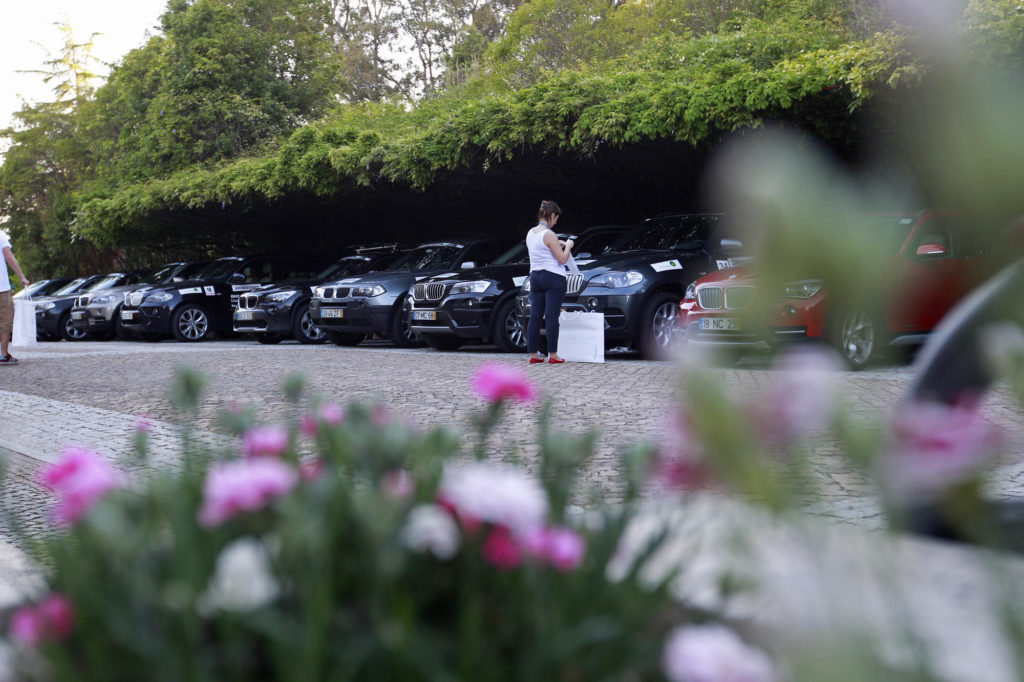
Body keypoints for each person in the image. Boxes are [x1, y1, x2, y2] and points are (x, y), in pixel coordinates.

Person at [526, 200, 574, 364]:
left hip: (535, 277)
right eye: (556, 219)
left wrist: (557, 244)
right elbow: (562, 259)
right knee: (552, 316)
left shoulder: (530, 233)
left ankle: (533, 353)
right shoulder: (549, 234)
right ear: (552, 215)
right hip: (553, 278)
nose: (556, 222)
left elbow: (543, 250)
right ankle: (553, 354)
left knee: (535, 316)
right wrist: (568, 246)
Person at [0, 229, 30, 365]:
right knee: (5, 321)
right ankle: (3, 355)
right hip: (1, 289)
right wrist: (21, 276)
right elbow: (8, 255)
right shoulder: (0, 234)